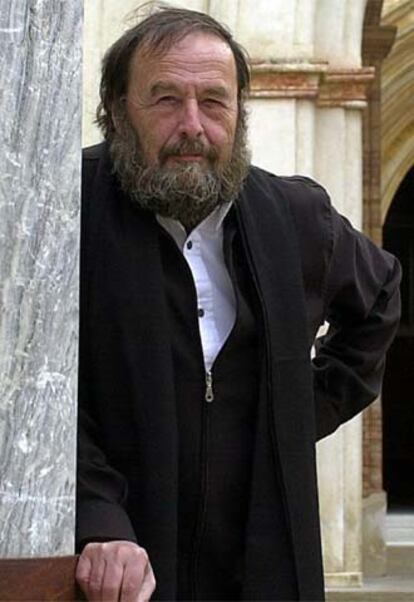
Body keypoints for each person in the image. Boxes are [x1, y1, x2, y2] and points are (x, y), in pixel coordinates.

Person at [75, 6, 401, 602]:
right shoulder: (68, 214)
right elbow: (27, 391)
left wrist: (295, 412)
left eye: (214, 102)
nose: (192, 126)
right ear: (119, 110)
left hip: (261, 567)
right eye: (166, 99)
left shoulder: (295, 218)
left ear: (239, 112)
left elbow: (379, 299)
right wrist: (95, 516)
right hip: (117, 569)